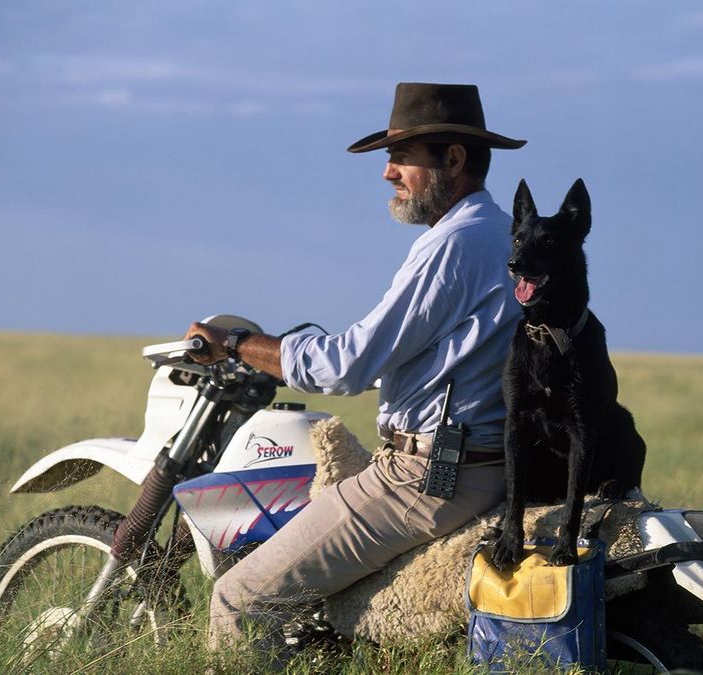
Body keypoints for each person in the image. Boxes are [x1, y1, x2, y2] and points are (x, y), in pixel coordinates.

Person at [184, 82, 526, 654]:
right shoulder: (501, 233)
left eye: (401, 158)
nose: (388, 173)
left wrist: (239, 343)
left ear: (454, 159)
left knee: (237, 599)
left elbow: (348, 366)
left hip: (427, 476)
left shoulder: (456, 243)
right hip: (482, 462)